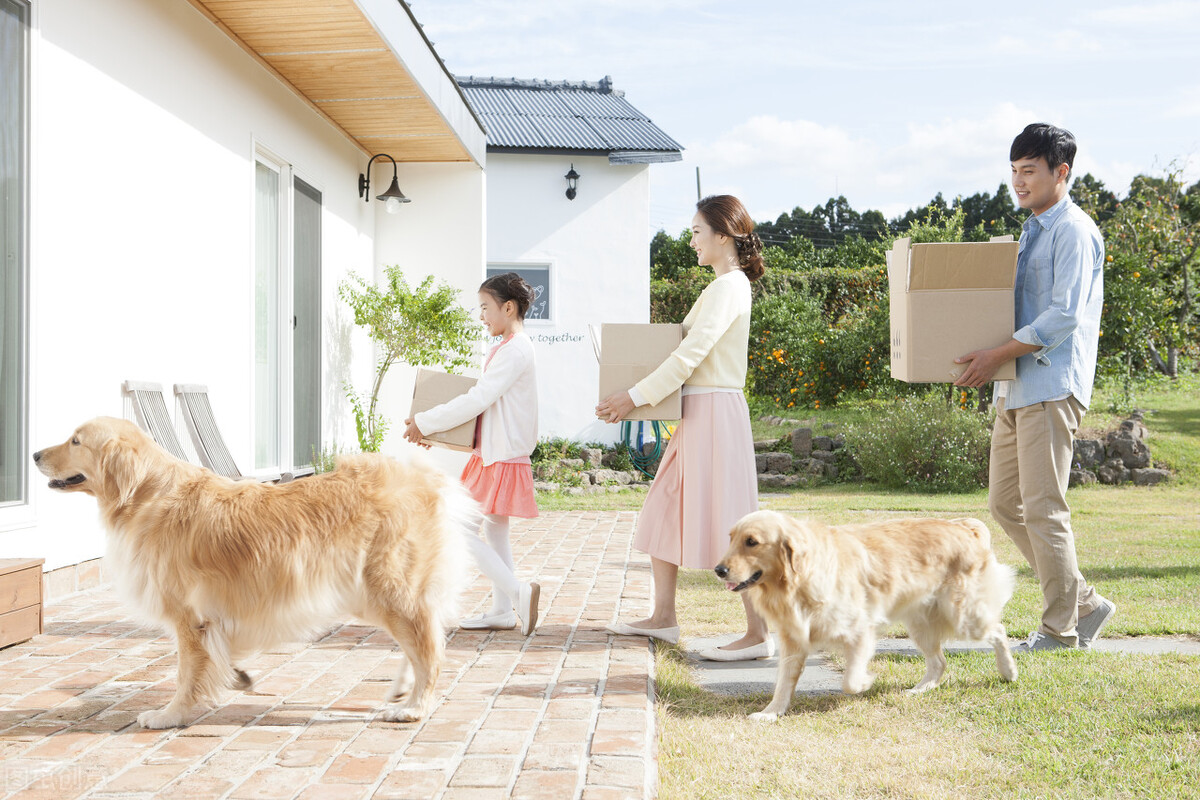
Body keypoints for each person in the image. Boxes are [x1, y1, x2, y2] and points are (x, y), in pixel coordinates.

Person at [954, 122, 1115, 651]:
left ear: (1060, 172)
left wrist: (996, 355)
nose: (1019, 182)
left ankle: (1060, 628)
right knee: (1004, 504)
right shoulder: (1030, 230)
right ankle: (1084, 601)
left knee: (1045, 507)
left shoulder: (1074, 230)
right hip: (1013, 387)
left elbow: (1064, 315)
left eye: (1030, 171)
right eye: (1014, 173)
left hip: (1049, 385)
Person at [597, 195, 771, 661]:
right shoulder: (720, 287)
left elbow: (689, 357)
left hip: (713, 411)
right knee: (662, 511)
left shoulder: (729, 287)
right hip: (698, 412)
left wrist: (631, 397)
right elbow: (681, 352)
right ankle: (663, 618)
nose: (690, 240)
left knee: (730, 521)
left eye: (697, 231)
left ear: (723, 234)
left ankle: (758, 636)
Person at [403, 272, 541, 636]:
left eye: (485, 307)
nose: (481, 315)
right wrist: (436, 430)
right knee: (495, 532)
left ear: (508, 307)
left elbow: (479, 399)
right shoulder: (509, 347)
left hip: (500, 456)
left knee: (456, 526)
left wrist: (426, 421)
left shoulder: (515, 349)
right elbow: (487, 406)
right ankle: (501, 610)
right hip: (494, 453)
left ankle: (517, 592)